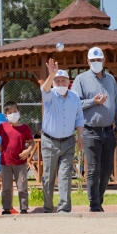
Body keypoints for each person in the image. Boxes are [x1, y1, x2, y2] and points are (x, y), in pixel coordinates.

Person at [71, 46, 117, 212]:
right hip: (90, 130)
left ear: (104, 60)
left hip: (109, 131)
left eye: (99, 59)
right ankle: (94, 205)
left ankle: (98, 200)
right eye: (93, 60)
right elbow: (75, 103)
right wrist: (93, 101)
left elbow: (116, 104)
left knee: (107, 169)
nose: (96, 62)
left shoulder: (111, 80)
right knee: (94, 169)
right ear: (88, 61)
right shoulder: (81, 79)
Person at [40, 61, 84, 213]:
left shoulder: (75, 97)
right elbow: (43, 90)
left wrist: (80, 135)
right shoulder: (50, 94)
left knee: (65, 176)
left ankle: (64, 209)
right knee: (48, 176)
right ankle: (47, 207)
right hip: (49, 141)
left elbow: (79, 117)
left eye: (63, 80)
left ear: (68, 82)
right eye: (57, 81)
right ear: (53, 83)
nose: (60, 83)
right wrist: (51, 74)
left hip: (68, 142)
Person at [0, 101, 34, 215]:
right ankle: (6, 208)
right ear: (6, 115)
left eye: (15, 111)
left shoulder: (25, 128)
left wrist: (28, 150)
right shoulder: (3, 127)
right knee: (6, 187)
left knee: (22, 186)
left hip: (20, 163)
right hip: (5, 162)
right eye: (10, 112)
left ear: (19, 112)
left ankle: (24, 208)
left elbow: (31, 143)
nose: (13, 114)